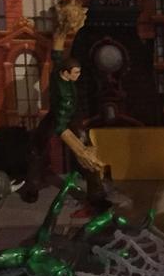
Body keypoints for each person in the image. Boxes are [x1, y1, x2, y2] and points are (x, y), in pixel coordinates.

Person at [23, 57, 108, 207]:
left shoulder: (56, 74)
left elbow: (56, 56)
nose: (78, 75)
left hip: (70, 117)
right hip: (60, 118)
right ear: (66, 73)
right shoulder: (64, 97)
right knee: (37, 148)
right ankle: (32, 187)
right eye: (75, 73)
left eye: (79, 72)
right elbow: (61, 124)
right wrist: (75, 145)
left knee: (87, 152)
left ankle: (96, 195)